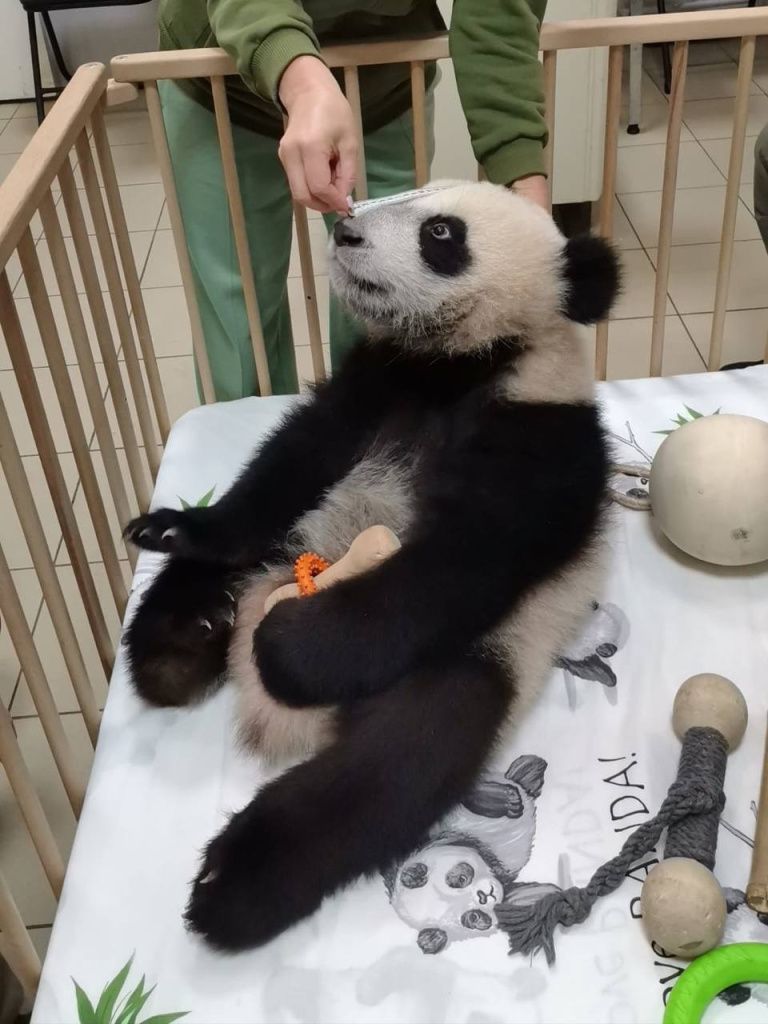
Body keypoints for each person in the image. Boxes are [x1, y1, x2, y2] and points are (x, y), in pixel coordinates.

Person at [158, 0, 549, 400]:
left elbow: (497, 15)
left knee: (392, 304)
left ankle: (372, 423)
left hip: (384, 78)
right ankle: (243, 432)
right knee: (238, 322)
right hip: (221, 77)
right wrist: (304, 86)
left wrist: (525, 188)